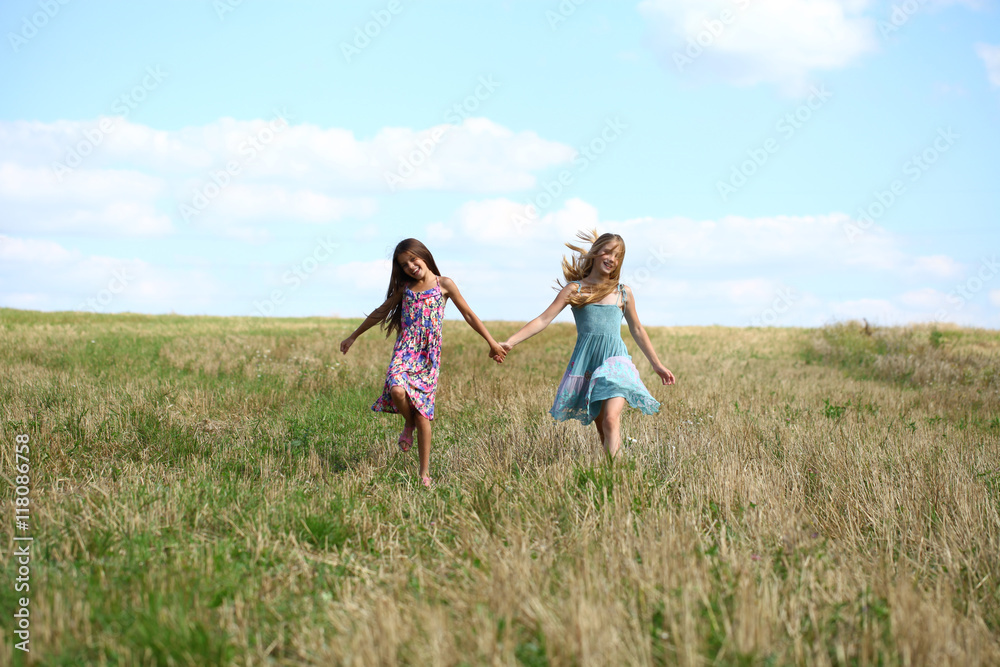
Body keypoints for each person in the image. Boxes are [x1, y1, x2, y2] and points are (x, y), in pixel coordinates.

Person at [340, 239, 506, 486]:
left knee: (423, 413)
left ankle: (424, 474)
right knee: (396, 389)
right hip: (405, 350)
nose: (410, 266)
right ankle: (408, 423)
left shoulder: (444, 284)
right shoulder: (404, 288)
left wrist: (492, 342)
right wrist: (353, 335)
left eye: (413, 259)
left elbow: (469, 315)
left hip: (428, 357)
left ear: (424, 255)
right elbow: (380, 312)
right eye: (404, 265)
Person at [500, 230, 674, 457]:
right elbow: (544, 319)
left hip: (616, 362)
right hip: (589, 366)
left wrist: (657, 364)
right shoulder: (576, 289)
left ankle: (616, 475)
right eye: (607, 252)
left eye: (618, 256)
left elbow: (637, 329)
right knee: (603, 430)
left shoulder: (623, 292)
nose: (612, 259)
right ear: (595, 253)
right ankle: (614, 476)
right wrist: (510, 342)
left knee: (612, 420)